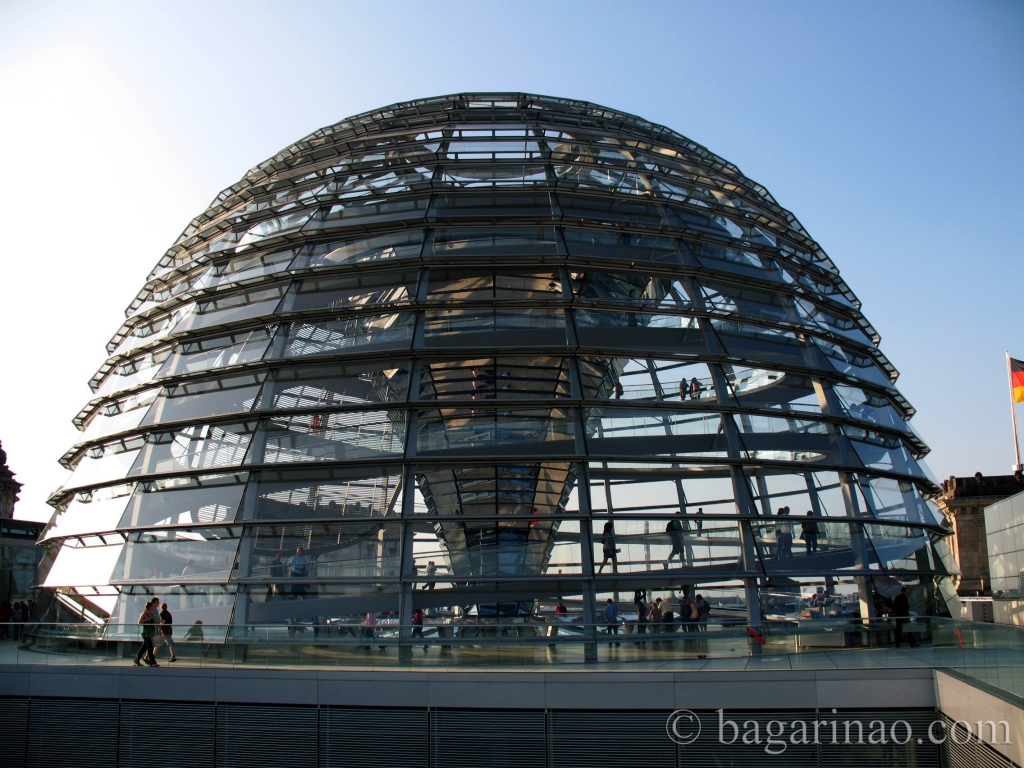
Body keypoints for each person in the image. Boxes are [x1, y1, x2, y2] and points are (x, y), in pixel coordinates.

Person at [134, 598, 159, 667]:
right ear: (149, 607)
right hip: (145, 632)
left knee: (144, 647)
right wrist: (145, 619)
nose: (153, 607)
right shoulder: (144, 613)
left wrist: (159, 623)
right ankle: (152, 662)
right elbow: (139, 622)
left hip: (151, 632)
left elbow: (153, 622)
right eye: (152, 606)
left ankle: (137, 659)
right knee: (150, 647)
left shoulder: (152, 614)